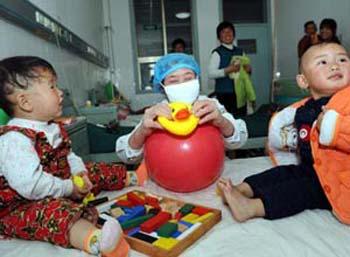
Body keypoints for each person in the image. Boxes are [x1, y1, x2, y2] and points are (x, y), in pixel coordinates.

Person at [0, 56, 148, 256]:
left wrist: (79, 172)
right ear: (25, 102)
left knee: (92, 168)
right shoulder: (14, 139)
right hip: (25, 204)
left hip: (60, 184)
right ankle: (97, 241)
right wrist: (69, 187)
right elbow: (31, 186)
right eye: (52, 87)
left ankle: (134, 176)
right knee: (54, 214)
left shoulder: (52, 126)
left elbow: (69, 155)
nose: (60, 93)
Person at [217, 42, 350, 224]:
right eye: (323, 62)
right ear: (303, 81)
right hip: (310, 168)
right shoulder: (304, 108)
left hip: (338, 181)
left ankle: (252, 207)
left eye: (342, 59)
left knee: (299, 190)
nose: (335, 65)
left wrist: (333, 126)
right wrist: (278, 143)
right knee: (282, 173)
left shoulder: (347, 101)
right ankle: (242, 189)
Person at [116, 53, 248, 164]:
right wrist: (142, 131)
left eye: (188, 78)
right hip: (168, 183)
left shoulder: (210, 105)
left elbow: (238, 141)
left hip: (211, 174)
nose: (183, 84)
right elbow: (126, 155)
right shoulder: (158, 112)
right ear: (162, 86)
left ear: (197, 79)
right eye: (173, 81)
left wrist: (221, 121)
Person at [208, 21, 254, 117]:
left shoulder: (240, 51)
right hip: (224, 94)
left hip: (240, 93)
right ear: (219, 37)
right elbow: (210, 73)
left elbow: (247, 71)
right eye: (223, 32)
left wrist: (248, 69)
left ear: (234, 34)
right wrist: (228, 70)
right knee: (227, 121)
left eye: (229, 31)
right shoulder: (217, 53)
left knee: (241, 119)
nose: (227, 34)